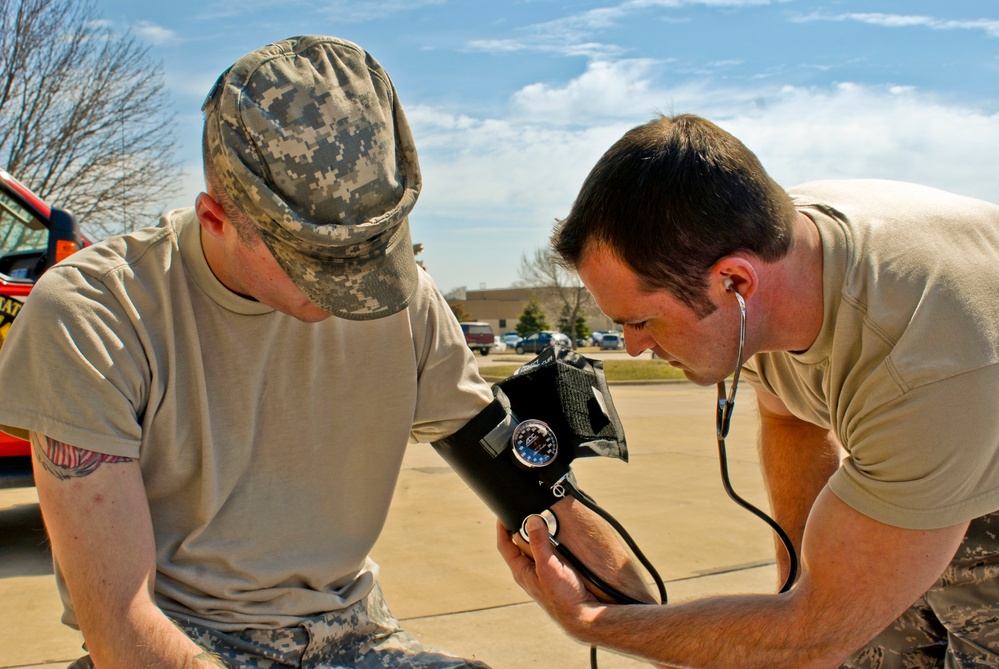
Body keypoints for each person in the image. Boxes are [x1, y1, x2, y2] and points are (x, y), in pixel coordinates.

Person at [0, 36, 644, 668]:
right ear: (216, 217)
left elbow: (539, 492)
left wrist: (655, 631)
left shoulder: (406, 303)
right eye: (321, 266)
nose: (356, 293)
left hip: (354, 633)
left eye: (374, 255)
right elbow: (121, 627)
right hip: (184, 642)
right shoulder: (94, 315)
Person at [498, 113, 999, 668]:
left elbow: (811, 639)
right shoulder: (768, 255)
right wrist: (796, 587)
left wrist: (592, 621)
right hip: (947, 429)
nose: (633, 347)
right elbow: (789, 418)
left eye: (642, 321)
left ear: (734, 282)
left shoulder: (925, 366)